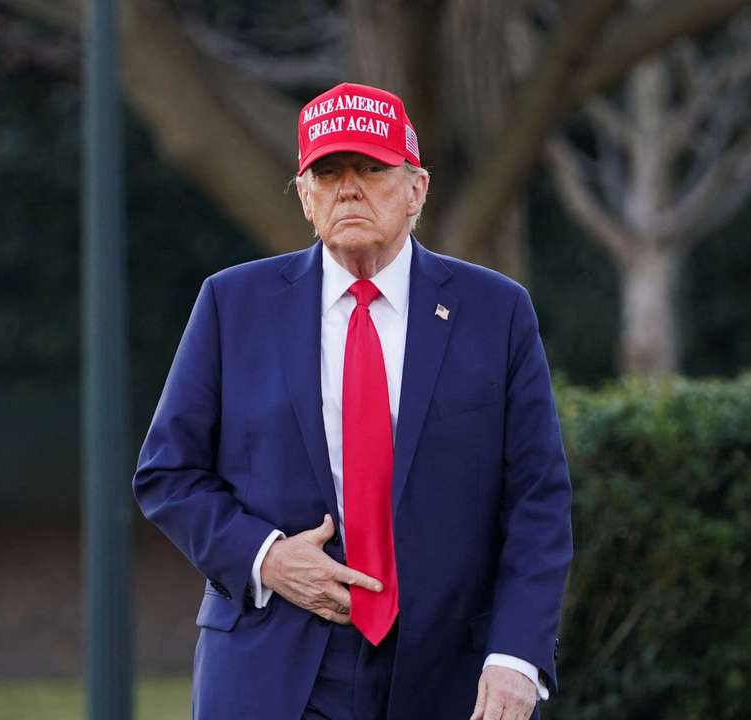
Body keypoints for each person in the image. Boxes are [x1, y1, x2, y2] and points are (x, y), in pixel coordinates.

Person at [133, 82, 572, 720]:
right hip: (270, 664)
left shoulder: (495, 312)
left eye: (371, 168)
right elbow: (167, 474)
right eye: (328, 171)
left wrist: (517, 656)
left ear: (416, 189)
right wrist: (267, 558)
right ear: (305, 196)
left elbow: (538, 496)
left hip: (447, 671)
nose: (349, 188)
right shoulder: (233, 305)